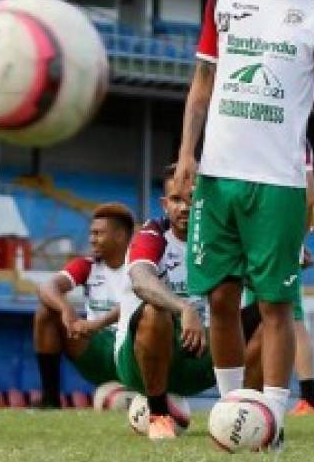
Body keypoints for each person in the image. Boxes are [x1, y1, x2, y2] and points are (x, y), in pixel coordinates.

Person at [175, 0, 314, 446]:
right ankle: (231, 413)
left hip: (278, 181)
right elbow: (202, 85)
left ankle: (271, 421)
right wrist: (186, 155)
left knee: (275, 303)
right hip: (217, 177)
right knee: (221, 299)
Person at [114, 164, 213, 440]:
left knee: (265, 314)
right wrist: (184, 308)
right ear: (164, 203)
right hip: (137, 361)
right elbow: (141, 280)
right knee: (155, 311)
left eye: (192, 199)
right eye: (176, 199)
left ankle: (246, 409)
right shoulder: (151, 234)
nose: (184, 208)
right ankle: (158, 415)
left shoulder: (218, 240)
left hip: (199, 356)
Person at [33, 203, 134, 407]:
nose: (91, 239)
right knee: (46, 311)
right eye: (91, 233)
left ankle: (155, 399)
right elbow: (47, 287)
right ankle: (50, 400)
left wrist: (96, 324)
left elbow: (135, 304)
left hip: (131, 348)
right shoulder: (87, 265)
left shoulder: (140, 266)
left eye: (98, 234)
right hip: (95, 346)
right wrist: (66, 309)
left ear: (120, 236)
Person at [244, 141, 314, 413]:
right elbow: (310, 195)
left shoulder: (293, 138)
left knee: (287, 316)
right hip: (271, 235)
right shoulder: (294, 137)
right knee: (276, 316)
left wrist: (295, 243)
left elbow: (311, 195)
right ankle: (262, 394)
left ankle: (305, 399)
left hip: (265, 236)